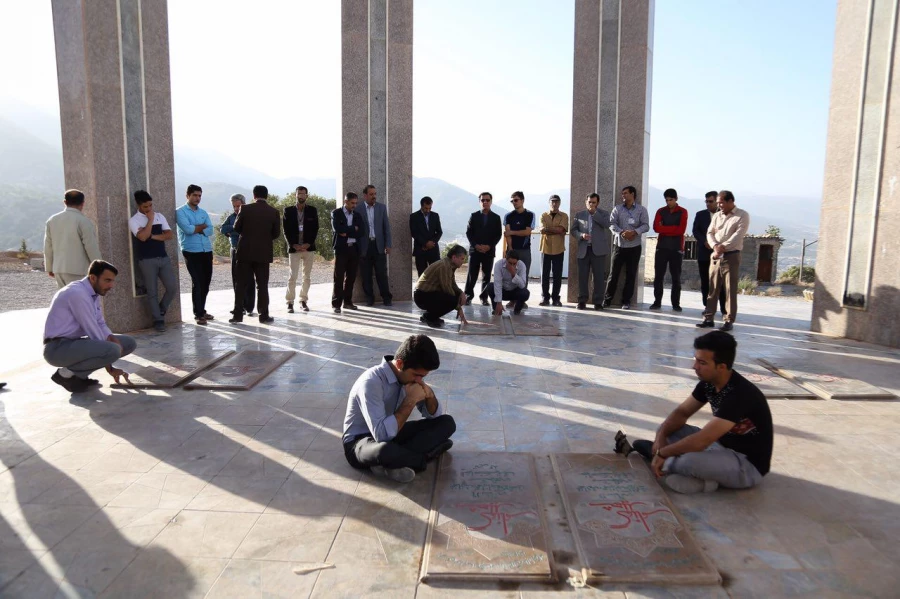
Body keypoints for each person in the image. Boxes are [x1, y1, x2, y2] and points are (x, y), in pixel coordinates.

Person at [617, 331, 772, 494]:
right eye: (695, 359)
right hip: (718, 446)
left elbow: (702, 440)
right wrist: (661, 437)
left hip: (746, 465)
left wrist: (662, 452)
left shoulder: (739, 394)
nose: (694, 366)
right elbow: (682, 412)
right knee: (667, 428)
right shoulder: (709, 383)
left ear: (722, 367)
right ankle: (678, 466)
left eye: (702, 362)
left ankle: (689, 474)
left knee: (688, 462)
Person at [342, 334, 456, 483]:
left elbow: (435, 417)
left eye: (423, 376)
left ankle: (395, 463)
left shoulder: (411, 378)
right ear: (400, 364)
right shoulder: (371, 382)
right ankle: (424, 457)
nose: (419, 380)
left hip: (394, 432)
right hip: (360, 441)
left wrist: (429, 396)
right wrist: (409, 401)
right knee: (385, 450)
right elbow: (381, 436)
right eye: (416, 375)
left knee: (447, 423)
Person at [43, 260, 136, 393]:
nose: (111, 285)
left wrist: (110, 336)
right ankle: (65, 374)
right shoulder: (78, 293)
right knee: (113, 350)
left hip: (73, 343)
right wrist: (110, 368)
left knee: (128, 343)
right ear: (93, 278)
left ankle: (77, 376)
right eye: (107, 280)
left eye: (112, 281)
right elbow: (92, 330)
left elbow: (100, 323)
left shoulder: (92, 292)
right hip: (56, 349)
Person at [697, 190, 750, 332]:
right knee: (712, 288)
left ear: (730, 201)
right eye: (718, 202)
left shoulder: (742, 215)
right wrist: (715, 246)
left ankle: (728, 320)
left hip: (731, 255)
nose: (719, 205)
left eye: (721, 202)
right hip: (715, 255)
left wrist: (722, 247)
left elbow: (738, 236)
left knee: (729, 289)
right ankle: (708, 318)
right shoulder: (717, 216)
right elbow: (710, 232)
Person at [229, 185, 280, 324]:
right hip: (263, 253)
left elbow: (236, 227)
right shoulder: (274, 212)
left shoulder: (245, 209)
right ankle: (264, 316)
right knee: (262, 285)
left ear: (254, 195)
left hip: (244, 252)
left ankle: (237, 315)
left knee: (241, 284)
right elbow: (276, 234)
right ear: (267, 196)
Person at [129, 190, 177, 332]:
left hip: (163, 257)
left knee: (172, 287)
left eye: (150, 205)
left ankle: (161, 309)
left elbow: (169, 235)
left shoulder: (160, 216)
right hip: (146, 260)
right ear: (138, 205)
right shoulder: (134, 220)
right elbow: (142, 237)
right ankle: (158, 320)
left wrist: (152, 235)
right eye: (145, 207)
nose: (149, 209)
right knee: (152, 291)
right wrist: (150, 221)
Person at [43, 189, 102, 290]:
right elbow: (91, 246)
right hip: (79, 270)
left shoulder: (52, 220)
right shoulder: (83, 221)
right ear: (83, 203)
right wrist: (100, 268)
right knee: (80, 301)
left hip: (59, 268)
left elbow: (48, 246)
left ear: (65, 202)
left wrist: (49, 267)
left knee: (65, 301)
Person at [604, 185, 650, 309]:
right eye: (622, 193)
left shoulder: (641, 210)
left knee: (631, 274)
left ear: (632, 194)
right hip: (619, 245)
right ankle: (607, 299)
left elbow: (646, 226)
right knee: (613, 274)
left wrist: (634, 232)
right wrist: (622, 232)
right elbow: (611, 224)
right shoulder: (617, 209)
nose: (623, 196)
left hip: (634, 247)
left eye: (625, 193)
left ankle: (626, 301)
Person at [176, 184, 215, 325]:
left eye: (199, 195)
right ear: (188, 195)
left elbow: (210, 230)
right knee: (197, 282)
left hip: (206, 250)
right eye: (194, 195)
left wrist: (197, 228)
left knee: (206, 282)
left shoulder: (203, 212)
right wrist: (201, 227)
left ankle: (202, 310)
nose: (197, 198)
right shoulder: (180, 212)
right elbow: (187, 229)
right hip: (191, 251)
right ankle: (198, 314)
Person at [650, 188, 688, 312]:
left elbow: (681, 230)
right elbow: (656, 227)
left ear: (676, 199)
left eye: (671, 200)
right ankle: (657, 302)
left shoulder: (683, 212)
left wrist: (664, 228)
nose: (668, 202)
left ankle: (676, 304)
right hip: (661, 247)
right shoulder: (661, 211)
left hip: (676, 248)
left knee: (676, 277)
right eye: (666, 200)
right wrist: (672, 229)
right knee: (658, 276)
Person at [570, 193, 610, 310]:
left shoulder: (604, 214)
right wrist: (581, 235)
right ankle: (582, 300)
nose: (591, 204)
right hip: (584, 249)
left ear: (597, 203)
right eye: (589, 202)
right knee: (582, 277)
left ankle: (598, 302)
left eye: (593, 202)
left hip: (598, 251)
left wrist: (595, 213)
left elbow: (607, 225)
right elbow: (573, 230)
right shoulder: (579, 215)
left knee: (598, 277)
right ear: (585, 202)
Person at [283, 186, 319, 313]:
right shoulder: (288, 210)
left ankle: (303, 300)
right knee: (292, 276)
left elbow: (315, 229)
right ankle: (289, 302)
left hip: (308, 248)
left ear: (307, 196)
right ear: (295, 195)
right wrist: (293, 245)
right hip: (294, 249)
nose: (301, 196)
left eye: (303, 194)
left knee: (307, 276)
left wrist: (308, 244)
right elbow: (285, 230)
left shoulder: (312, 210)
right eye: (299, 194)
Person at [414, 244, 468, 328]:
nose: (463, 261)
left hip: (428, 294)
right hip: (422, 296)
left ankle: (431, 315)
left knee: (456, 296)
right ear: (454, 257)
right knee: (452, 300)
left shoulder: (450, 265)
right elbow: (446, 288)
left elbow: (452, 284)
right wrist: (458, 307)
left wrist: (461, 293)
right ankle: (429, 317)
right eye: (462, 259)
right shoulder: (444, 266)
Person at [356, 184, 393, 306]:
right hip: (364, 247)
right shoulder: (358, 208)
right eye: (371, 194)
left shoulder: (381, 208)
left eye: (375, 194)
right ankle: (369, 298)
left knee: (381, 274)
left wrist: (388, 244)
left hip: (379, 246)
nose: (374, 196)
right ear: (365, 195)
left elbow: (386, 228)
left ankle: (386, 298)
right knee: (366, 275)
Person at [464, 192, 503, 305]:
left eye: (487, 200)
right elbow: (469, 233)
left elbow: (498, 235)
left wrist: (489, 246)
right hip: (475, 251)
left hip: (488, 251)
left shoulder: (496, 218)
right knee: (472, 274)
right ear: (479, 201)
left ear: (491, 201)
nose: (485, 202)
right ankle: (468, 296)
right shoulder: (474, 216)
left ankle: (484, 298)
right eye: (482, 200)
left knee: (486, 276)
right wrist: (476, 245)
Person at [220, 194, 255, 318]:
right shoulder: (231, 217)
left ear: (243, 204)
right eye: (234, 206)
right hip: (235, 250)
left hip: (248, 251)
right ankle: (239, 306)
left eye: (238, 206)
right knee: (236, 279)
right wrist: (236, 229)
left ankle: (249, 306)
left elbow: (248, 229)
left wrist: (233, 231)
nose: (236, 208)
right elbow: (223, 229)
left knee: (249, 279)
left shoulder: (250, 216)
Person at [693, 191, 726, 316]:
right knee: (706, 282)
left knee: (721, 283)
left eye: (710, 201)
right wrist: (704, 241)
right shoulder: (700, 215)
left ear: (717, 201)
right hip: (704, 254)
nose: (708, 204)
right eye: (706, 201)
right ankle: (707, 307)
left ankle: (724, 309)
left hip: (720, 254)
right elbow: (695, 231)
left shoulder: (724, 215)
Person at [332, 192, 363, 314]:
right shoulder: (336, 213)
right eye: (352, 203)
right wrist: (353, 229)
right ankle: (336, 304)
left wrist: (347, 231)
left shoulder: (357, 215)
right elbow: (338, 229)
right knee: (338, 277)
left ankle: (348, 302)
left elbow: (361, 232)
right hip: (341, 250)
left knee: (351, 277)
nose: (354, 205)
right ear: (346, 202)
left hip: (354, 249)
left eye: (356, 203)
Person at [504, 191, 536, 298]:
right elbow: (507, 233)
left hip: (524, 250)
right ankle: (512, 299)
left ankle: (521, 300)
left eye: (516, 200)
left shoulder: (530, 215)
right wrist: (511, 249)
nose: (514, 202)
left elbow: (527, 232)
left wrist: (512, 232)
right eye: (512, 201)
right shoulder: (508, 216)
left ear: (522, 200)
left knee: (523, 275)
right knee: (510, 274)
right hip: (512, 249)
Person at [538, 195, 569, 307]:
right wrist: (555, 230)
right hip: (545, 248)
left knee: (557, 275)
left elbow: (562, 229)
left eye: (556, 202)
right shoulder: (543, 215)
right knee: (544, 275)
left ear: (560, 203)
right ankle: (545, 297)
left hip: (558, 249)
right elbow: (542, 230)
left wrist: (549, 230)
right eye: (552, 202)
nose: (554, 204)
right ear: (549, 203)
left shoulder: (564, 216)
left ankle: (556, 298)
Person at [485, 250, 530, 315]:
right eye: (509, 263)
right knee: (490, 287)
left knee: (525, 293)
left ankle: (517, 310)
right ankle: (496, 308)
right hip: (503, 291)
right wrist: (499, 302)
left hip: (514, 292)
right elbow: (498, 284)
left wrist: (514, 274)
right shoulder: (498, 264)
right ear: (505, 259)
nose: (512, 265)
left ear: (518, 261)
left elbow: (522, 285)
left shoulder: (522, 265)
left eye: (514, 264)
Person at [410, 196, 443, 277]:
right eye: (425, 208)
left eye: (429, 208)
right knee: (422, 276)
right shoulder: (414, 216)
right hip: (420, 250)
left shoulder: (435, 216)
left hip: (433, 250)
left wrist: (432, 243)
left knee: (436, 274)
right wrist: (425, 244)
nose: (427, 210)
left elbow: (439, 232)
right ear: (421, 206)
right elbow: (414, 233)